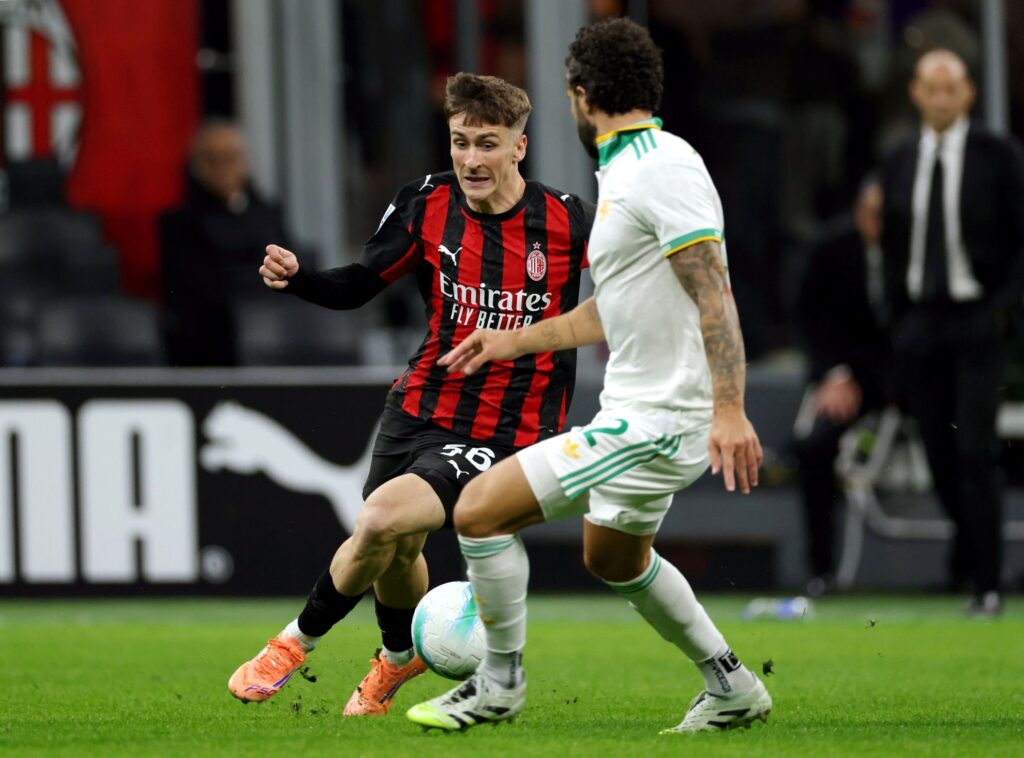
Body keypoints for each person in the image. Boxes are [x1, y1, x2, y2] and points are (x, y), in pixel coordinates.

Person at [407, 18, 771, 734]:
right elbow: (618, 307)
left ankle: (498, 684)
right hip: (643, 409)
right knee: (614, 556)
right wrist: (514, 342)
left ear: (579, 94)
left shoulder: (658, 167)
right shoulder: (637, 166)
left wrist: (730, 408)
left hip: (661, 418)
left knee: (479, 510)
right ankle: (731, 687)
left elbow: (713, 290)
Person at [228, 73, 593, 715]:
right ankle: (397, 660)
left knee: (378, 519)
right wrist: (300, 280)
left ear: (519, 147)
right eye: (459, 142)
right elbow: (361, 283)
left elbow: (628, 292)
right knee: (395, 549)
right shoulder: (425, 201)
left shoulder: (566, 220)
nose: (471, 159)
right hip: (420, 404)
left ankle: (291, 644)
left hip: (505, 427)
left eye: (487, 143)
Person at [880, 49, 1024, 617]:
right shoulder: (897, 159)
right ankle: (973, 559)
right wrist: (896, 314)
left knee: (974, 449)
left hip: (976, 318)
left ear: (969, 94)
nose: (941, 97)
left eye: (952, 87)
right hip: (920, 321)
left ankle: (986, 582)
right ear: (915, 92)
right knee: (938, 452)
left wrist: (1003, 311)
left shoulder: (999, 156)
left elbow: (1020, 241)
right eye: (931, 87)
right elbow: (891, 244)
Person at [790, 177, 890, 597]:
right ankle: (821, 572)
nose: (877, 223)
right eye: (870, 213)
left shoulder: (915, 249)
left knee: (962, 450)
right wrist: (836, 373)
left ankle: (970, 572)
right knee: (814, 447)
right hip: (849, 379)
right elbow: (808, 316)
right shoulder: (831, 250)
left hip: (910, 377)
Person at [160, 120, 291, 366]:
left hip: (271, 337)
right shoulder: (178, 224)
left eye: (230, 158)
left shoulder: (268, 217)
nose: (222, 168)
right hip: (207, 347)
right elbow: (194, 290)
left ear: (245, 162)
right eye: (212, 159)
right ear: (196, 166)